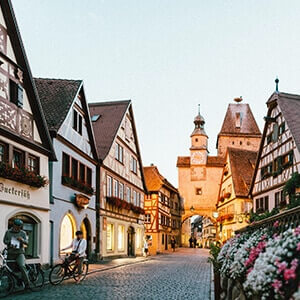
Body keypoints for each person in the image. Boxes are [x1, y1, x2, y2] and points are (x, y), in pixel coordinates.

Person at [3, 219, 30, 287]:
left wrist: (22, 240)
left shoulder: (22, 233)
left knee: (22, 266)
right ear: (14, 225)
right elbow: (4, 241)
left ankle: (27, 284)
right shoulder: (8, 232)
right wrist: (10, 243)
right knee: (9, 270)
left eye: (20, 227)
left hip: (19, 253)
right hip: (10, 253)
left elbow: (27, 242)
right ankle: (11, 285)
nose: (18, 228)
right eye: (17, 226)